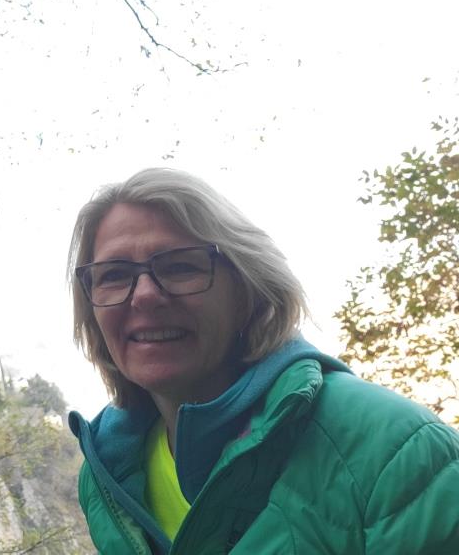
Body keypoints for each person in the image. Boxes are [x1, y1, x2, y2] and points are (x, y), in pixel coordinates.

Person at [67, 168, 459, 554]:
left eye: (180, 266)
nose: (144, 295)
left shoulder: (400, 454)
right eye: (114, 275)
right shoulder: (108, 473)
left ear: (247, 290)